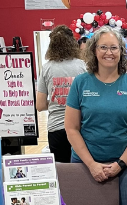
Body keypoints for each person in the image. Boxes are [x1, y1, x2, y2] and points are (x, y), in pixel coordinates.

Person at [64, 26, 127, 205]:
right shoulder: (80, 83)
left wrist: (120, 164)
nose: (108, 52)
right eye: (103, 47)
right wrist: (92, 165)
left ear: (121, 51)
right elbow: (71, 128)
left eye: (114, 47)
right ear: (94, 50)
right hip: (85, 164)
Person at [36, 25, 87, 163]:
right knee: (83, 172)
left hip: (56, 128)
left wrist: (56, 101)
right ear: (72, 44)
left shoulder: (47, 68)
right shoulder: (82, 66)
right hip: (80, 127)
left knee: (62, 173)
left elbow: (40, 105)